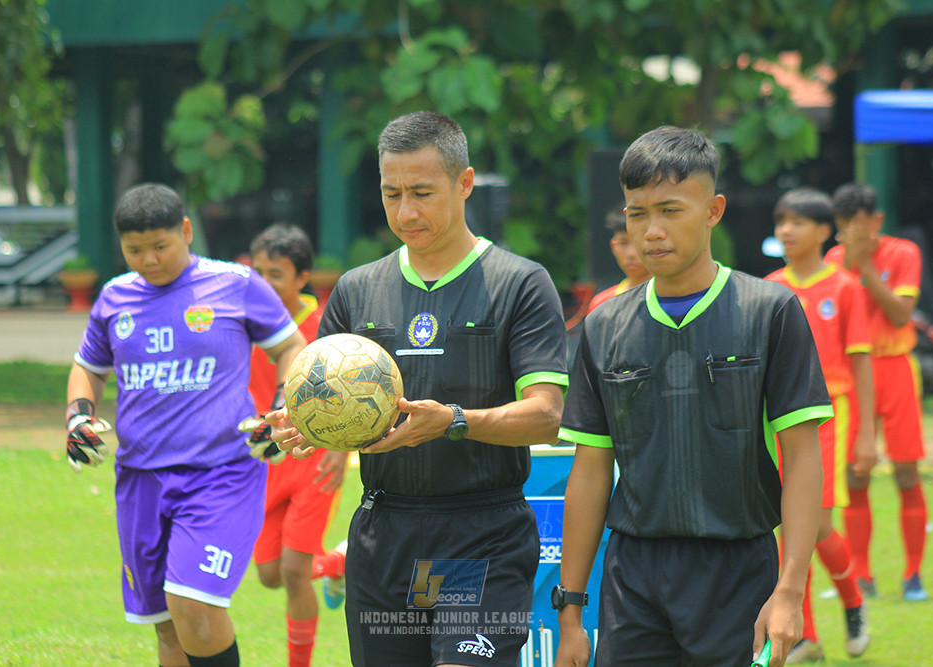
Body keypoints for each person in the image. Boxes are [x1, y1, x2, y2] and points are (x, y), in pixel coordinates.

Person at [270, 110, 568, 666]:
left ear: (465, 183)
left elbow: (547, 414)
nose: (405, 212)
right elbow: (311, 392)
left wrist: (456, 420)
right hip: (386, 532)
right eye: (391, 194)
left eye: (423, 193)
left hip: (481, 535)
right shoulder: (357, 290)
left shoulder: (519, 284)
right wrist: (302, 423)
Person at [554, 126, 832, 667]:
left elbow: (800, 457)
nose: (652, 231)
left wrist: (790, 590)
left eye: (670, 210)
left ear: (713, 210)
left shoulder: (770, 311)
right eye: (637, 214)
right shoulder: (602, 324)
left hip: (737, 571)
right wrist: (570, 612)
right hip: (632, 576)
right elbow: (589, 470)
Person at [64, 183, 306, 667]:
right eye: (134, 250)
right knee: (167, 627)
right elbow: (88, 367)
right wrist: (78, 417)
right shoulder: (114, 298)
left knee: (193, 604)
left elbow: (291, 347)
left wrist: (282, 406)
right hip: (140, 481)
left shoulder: (236, 284)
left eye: (160, 246)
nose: (149, 260)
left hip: (221, 474)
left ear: (187, 231)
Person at [765, 188, 876, 662]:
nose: (785, 231)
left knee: (816, 522)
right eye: (780, 222)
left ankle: (852, 601)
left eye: (796, 222)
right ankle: (805, 636)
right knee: (786, 528)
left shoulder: (845, 286)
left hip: (830, 415)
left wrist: (867, 434)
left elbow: (862, 361)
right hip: (777, 419)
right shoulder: (770, 286)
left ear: (822, 231)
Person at [245, 223, 349, 667]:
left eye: (277, 274)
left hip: (313, 457)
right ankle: (339, 566)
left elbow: (352, 393)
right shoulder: (242, 322)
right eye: (259, 272)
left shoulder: (323, 325)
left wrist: (342, 450)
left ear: (302, 278)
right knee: (270, 574)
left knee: (292, 569)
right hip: (263, 462)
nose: (265, 283)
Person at [824, 183, 929, 601]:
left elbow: (901, 313)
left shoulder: (903, 253)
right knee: (855, 474)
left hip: (897, 368)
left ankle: (913, 574)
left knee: (906, 471)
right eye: (844, 225)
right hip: (854, 375)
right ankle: (861, 574)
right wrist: (852, 263)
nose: (852, 233)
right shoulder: (833, 261)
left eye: (860, 224)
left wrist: (866, 269)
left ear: (877, 222)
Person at [586, 208, 651, 313]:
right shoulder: (601, 304)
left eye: (638, 242)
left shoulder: (671, 298)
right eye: (623, 243)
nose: (631, 254)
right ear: (613, 246)